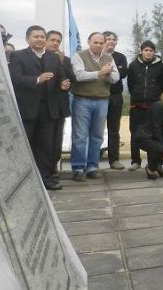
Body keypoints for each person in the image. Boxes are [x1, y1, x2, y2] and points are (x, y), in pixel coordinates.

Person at [9, 25, 70, 190]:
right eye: (36, 36)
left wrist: (64, 84)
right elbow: (15, 79)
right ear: (28, 39)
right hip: (27, 109)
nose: (40, 39)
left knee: (45, 146)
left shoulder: (53, 58)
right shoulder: (17, 56)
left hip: (48, 109)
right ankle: (21, 179)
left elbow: (61, 78)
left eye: (42, 37)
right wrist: (37, 79)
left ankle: (45, 179)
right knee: (25, 144)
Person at [70, 32, 120, 182]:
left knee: (97, 136)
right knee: (80, 136)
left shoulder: (108, 58)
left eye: (100, 43)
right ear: (89, 42)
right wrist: (100, 72)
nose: (98, 45)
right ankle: (78, 167)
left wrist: (108, 74)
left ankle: (92, 167)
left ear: (104, 44)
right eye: (95, 42)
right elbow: (79, 75)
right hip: (82, 100)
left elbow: (116, 78)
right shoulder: (79, 56)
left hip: (102, 101)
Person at [127, 40, 163, 170]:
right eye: (146, 50)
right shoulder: (133, 65)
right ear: (141, 51)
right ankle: (135, 161)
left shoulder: (160, 65)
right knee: (135, 132)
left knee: (153, 134)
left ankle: (152, 163)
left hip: (153, 105)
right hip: (137, 105)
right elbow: (131, 84)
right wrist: (136, 96)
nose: (148, 53)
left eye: (151, 50)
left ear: (154, 52)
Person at [132, 87, 163, 179]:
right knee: (160, 148)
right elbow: (156, 128)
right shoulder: (158, 106)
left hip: (150, 136)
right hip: (143, 137)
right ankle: (150, 168)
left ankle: (157, 166)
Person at [46, 30, 75, 178]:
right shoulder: (40, 57)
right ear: (46, 40)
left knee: (57, 140)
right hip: (43, 107)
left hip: (60, 106)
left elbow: (71, 80)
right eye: (52, 40)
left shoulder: (66, 59)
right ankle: (44, 170)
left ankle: (53, 168)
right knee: (45, 140)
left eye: (58, 41)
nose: (55, 43)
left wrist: (62, 62)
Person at [103, 31, 128, 170]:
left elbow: (123, 73)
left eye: (113, 39)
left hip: (115, 96)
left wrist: (111, 71)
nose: (111, 41)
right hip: (99, 96)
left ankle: (114, 160)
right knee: (95, 130)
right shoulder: (97, 56)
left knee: (114, 129)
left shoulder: (120, 57)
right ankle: (92, 162)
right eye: (108, 39)